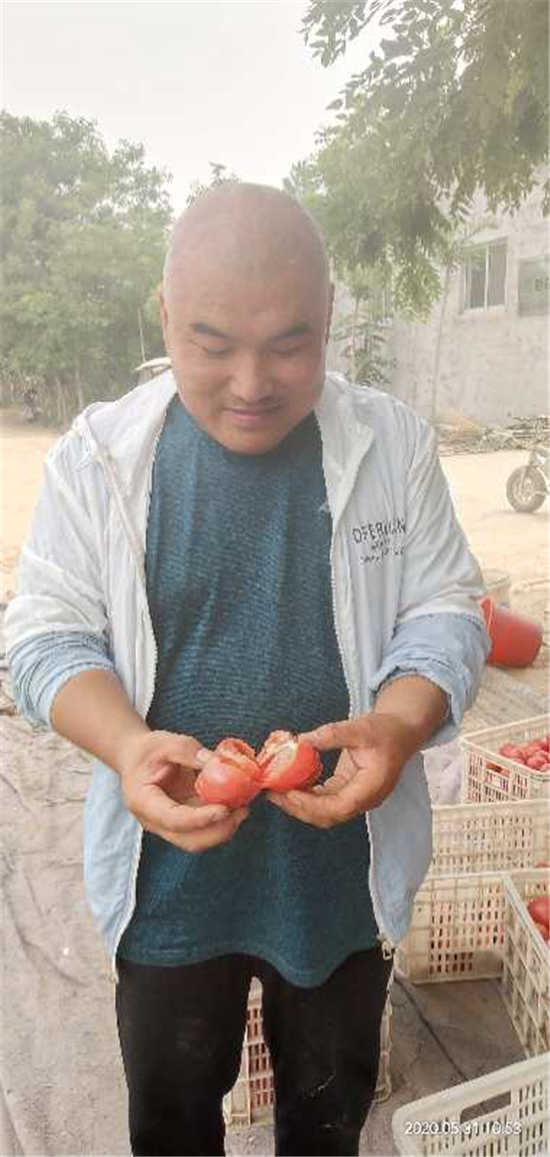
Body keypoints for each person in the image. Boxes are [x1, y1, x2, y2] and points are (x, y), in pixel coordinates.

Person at [6, 183, 488, 1157]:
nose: (251, 381)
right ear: (165, 317)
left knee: (328, 1118)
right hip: (170, 884)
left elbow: (446, 609)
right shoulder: (97, 459)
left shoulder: (391, 444)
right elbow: (45, 635)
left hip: (336, 880)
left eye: (288, 343)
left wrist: (398, 725)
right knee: (173, 1122)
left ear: (330, 317)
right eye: (213, 343)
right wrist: (128, 744)